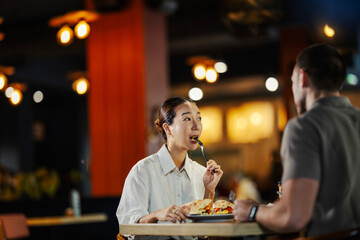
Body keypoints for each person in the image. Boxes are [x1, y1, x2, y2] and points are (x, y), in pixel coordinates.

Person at [233, 44, 360, 237]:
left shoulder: (302, 126)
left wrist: (251, 211)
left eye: (291, 81)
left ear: (302, 78)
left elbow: (294, 216)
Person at [116, 97, 223, 239]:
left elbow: (203, 234)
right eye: (187, 119)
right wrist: (156, 215)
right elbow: (127, 227)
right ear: (167, 128)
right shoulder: (142, 171)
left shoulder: (201, 173)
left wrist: (209, 191)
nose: (197, 125)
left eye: (199, 118)